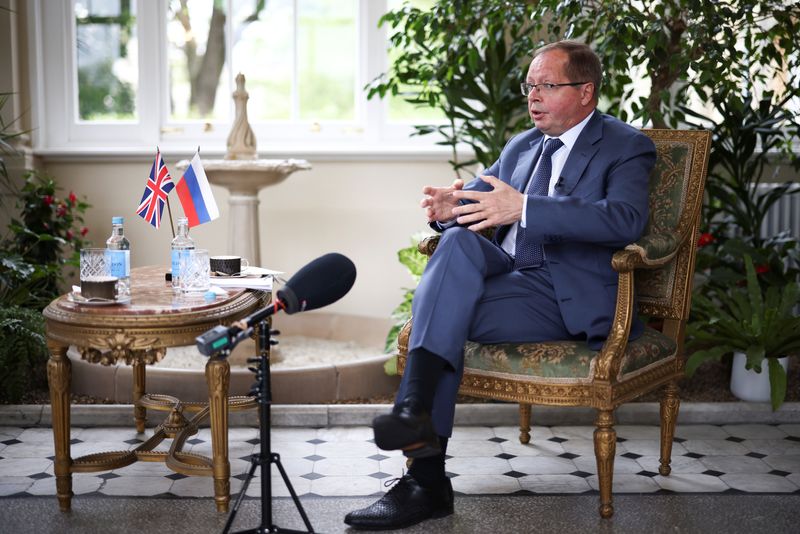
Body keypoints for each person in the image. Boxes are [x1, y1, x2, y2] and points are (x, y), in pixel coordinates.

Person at [344, 40, 656, 530]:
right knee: (455, 246)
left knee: (441, 319)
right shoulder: (522, 145)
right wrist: (452, 210)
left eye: (547, 86)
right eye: (530, 86)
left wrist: (526, 208)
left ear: (585, 92)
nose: (533, 96)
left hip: (562, 293)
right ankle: (416, 432)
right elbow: (480, 201)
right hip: (507, 278)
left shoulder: (624, 144)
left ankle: (423, 472)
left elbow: (625, 219)